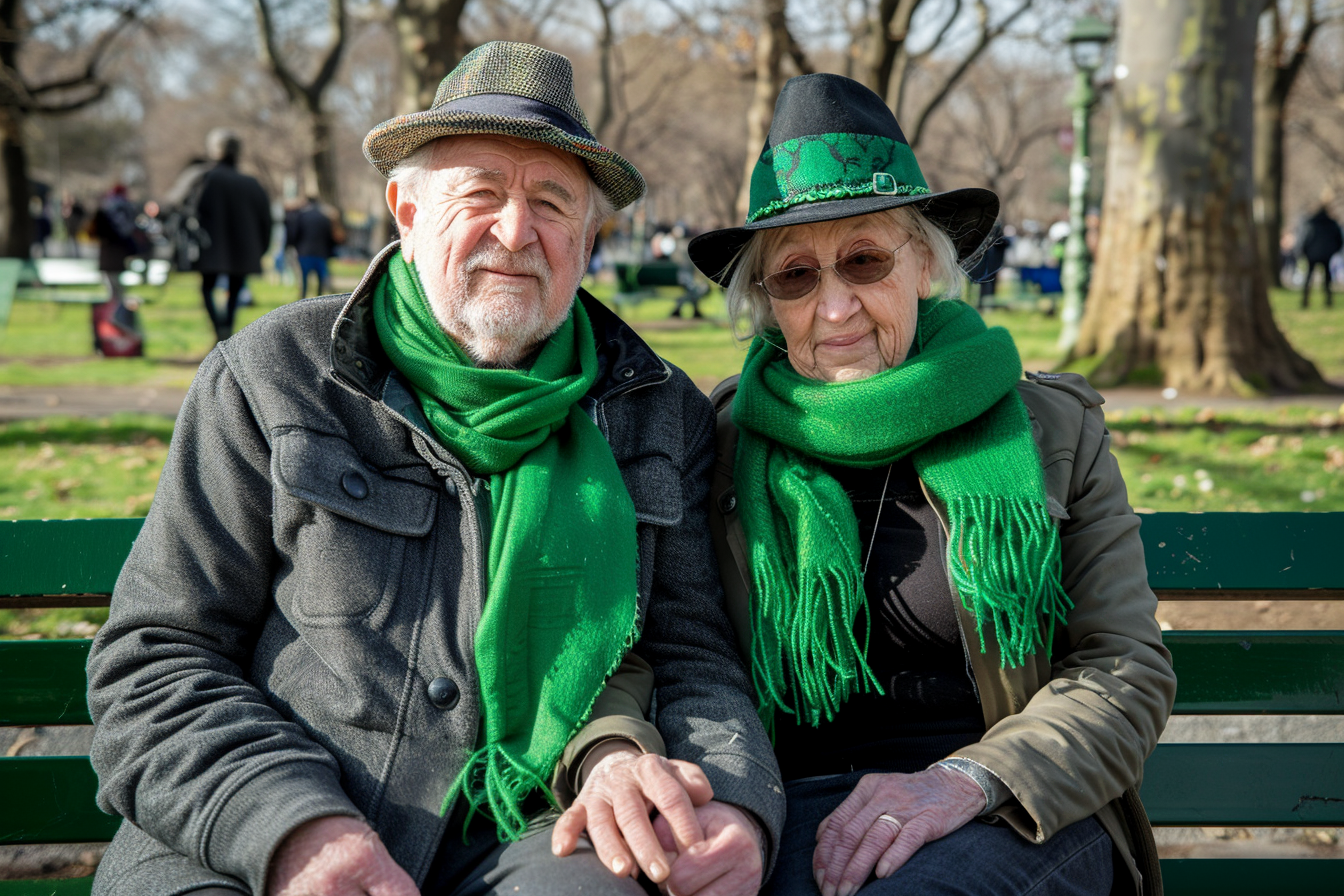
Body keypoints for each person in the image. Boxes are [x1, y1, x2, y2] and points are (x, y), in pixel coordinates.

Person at [85, 41, 781, 896]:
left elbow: (691, 658)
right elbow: (156, 658)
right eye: (479, 194)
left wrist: (737, 804)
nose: (516, 232)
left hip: (530, 821)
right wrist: (295, 830)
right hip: (257, 817)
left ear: (592, 238)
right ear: (406, 213)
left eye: (553, 203)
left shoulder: (656, 408)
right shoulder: (270, 375)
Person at [681, 73, 1175, 896]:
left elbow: (1124, 667)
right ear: (768, 303)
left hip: (1011, 809)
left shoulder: (1049, 428)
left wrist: (966, 781)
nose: (834, 308)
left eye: (864, 260)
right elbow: (680, 653)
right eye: (796, 276)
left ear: (924, 264)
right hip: (787, 809)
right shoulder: (722, 441)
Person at [190, 129, 273, 340]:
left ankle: (220, 328)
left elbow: (183, 208)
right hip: (243, 250)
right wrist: (260, 248)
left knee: (207, 288)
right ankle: (225, 327)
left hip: (210, 248)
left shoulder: (204, 178)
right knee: (235, 291)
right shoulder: (251, 183)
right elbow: (266, 220)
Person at [286, 196, 341, 299]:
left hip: (304, 252)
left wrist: (292, 246)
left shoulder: (301, 216)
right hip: (321, 253)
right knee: (320, 279)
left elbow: (294, 234)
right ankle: (318, 298)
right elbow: (330, 238)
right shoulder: (325, 218)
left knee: (304, 279)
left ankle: (302, 298)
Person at [1296, 200, 1343, 309]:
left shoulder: (1311, 223)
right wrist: (1333, 251)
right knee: (1327, 279)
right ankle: (1328, 301)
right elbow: (1339, 240)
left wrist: (1303, 251)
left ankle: (1305, 300)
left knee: (1309, 278)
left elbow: (1304, 239)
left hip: (1312, 255)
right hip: (1327, 255)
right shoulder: (1332, 223)